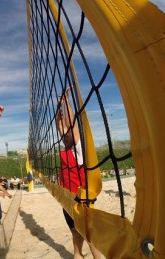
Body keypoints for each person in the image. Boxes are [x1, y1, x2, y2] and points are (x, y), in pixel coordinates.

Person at [56, 87, 102, 259]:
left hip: (73, 199)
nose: (64, 132)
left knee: (83, 235)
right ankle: (81, 255)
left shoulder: (76, 149)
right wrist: (61, 105)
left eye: (67, 132)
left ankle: (86, 256)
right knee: (83, 235)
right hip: (73, 199)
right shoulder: (70, 147)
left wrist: (65, 104)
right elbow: (62, 124)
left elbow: (69, 125)